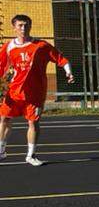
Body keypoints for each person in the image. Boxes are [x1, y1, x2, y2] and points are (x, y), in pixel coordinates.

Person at [0, 14, 74, 166]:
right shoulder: (8, 47)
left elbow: (61, 59)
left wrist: (68, 72)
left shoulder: (41, 46)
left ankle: (31, 155)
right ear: (14, 28)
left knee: (33, 123)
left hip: (35, 93)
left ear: (30, 26)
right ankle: (1, 151)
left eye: (26, 25)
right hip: (14, 92)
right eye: (20, 25)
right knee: (4, 119)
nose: (23, 28)